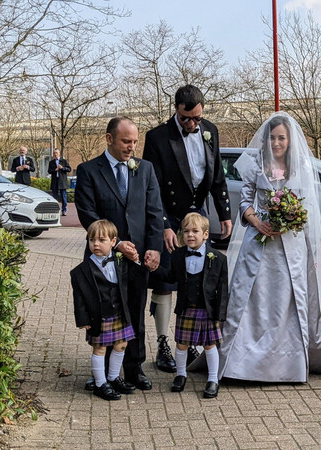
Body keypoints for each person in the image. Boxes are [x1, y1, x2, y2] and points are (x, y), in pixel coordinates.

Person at [219, 111, 321, 382]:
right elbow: (245, 201)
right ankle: (242, 363)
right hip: (258, 244)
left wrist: (290, 220)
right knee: (253, 300)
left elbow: (307, 208)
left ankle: (287, 365)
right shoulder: (254, 166)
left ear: (290, 140)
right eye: (272, 137)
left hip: (290, 246)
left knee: (286, 301)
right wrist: (256, 222)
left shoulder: (301, 168)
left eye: (281, 138)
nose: (276, 143)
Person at [143, 84, 232, 373]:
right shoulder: (157, 137)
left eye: (197, 118)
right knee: (166, 283)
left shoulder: (210, 131)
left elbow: (217, 176)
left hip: (197, 219)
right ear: (176, 109)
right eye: (186, 119)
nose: (193, 124)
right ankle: (163, 343)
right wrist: (165, 226)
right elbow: (152, 185)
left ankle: (191, 340)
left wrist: (225, 214)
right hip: (168, 217)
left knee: (195, 280)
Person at [75, 116, 163, 390]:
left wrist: (154, 248)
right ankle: (103, 374)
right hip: (103, 258)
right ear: (109, 138)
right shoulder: (89, 170)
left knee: (134, 311)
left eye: (135, 141)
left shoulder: (145, 169)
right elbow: (87, 214)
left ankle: (134, 369)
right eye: (126, 141)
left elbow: (154, 212)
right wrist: (116, 244)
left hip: (136, 257)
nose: (131, 147)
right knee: (105, 313)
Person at [156, 213, 228, 398]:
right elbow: (171, 277)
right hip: (186, 308)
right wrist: (154, 268)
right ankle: (181, 375)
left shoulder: (218, 258)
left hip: (207, 309)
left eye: (195, 231)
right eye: (186, 231)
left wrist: (220, 314)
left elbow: (223, 289)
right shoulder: (178, 255)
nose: (190, 235)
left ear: (205, 234)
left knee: (210, 345)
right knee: (181, 344)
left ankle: (213, 379)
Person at [71, 220, 137, 401]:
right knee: (99, 348)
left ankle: (113, 377)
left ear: (113, 241)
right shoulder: (81, 271)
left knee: (121, 345)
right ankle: (100, 384)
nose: (96, 244)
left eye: (101, 240)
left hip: (119, 313)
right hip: (99, 316)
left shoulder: (120, 261)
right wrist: (83, 319)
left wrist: (137, 259)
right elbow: (79, 298)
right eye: (92, 240)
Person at [48, 149, 72, 216]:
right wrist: (55, 170)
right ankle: (56, 210)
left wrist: (62, 168)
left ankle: (64, 210)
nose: (55, 154)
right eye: (54, 153)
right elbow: (49, 171)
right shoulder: (51, 162)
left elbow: (69, 169)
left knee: (63, 196)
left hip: (62, 181)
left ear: (59, 154)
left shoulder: (64, 161)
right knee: (55, 196)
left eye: (56, 153)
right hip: (55, 181)